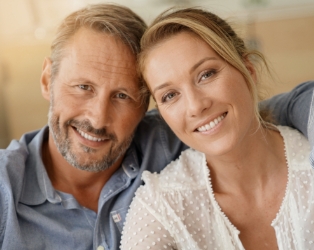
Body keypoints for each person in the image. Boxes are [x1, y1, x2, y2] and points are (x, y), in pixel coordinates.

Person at [0, 3, 312, 250]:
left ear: (147, 104)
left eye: (122, 96)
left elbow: (259, 112)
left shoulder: (173, 131)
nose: (97, 119)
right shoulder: (5, 190)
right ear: (47, 79)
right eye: (83, 87)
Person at [120, 7, 314, 250]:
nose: (195, 106)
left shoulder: (308, 164)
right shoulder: (162, 206)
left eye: (206, 75)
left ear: (249, 71)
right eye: (170, 95)